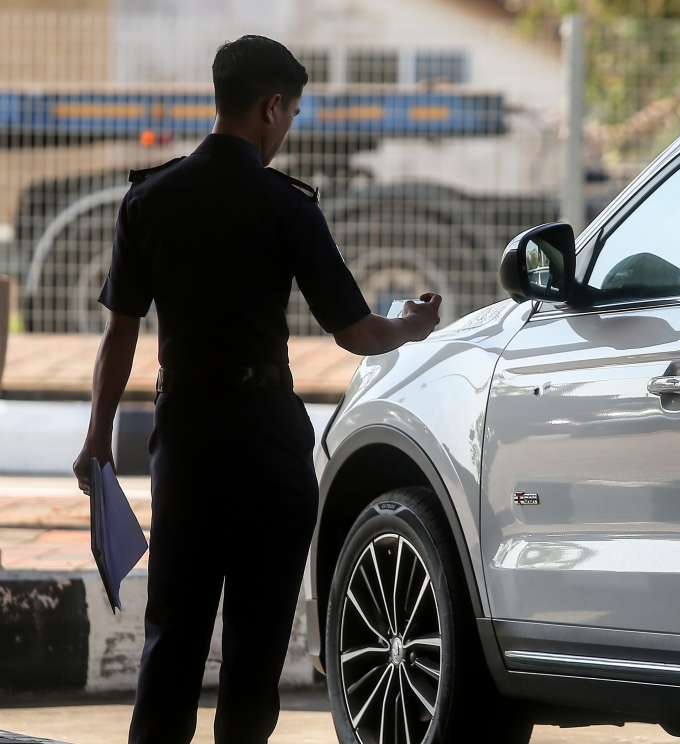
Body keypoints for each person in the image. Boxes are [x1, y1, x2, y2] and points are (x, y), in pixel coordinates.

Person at [71, 35, 441, 744]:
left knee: (173, 633)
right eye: (293, 113)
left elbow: (119, 336)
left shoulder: (148, 199)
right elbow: (357, 332)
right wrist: (414, 325)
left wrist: (96, 439)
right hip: (267, 438)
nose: (288, 127)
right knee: (256, 639)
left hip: (184, 437)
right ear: (272, 106)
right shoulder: (287, 206)